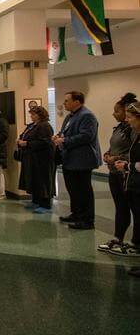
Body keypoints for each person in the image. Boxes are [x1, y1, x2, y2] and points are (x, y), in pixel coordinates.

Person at [53, 91, 102, 230]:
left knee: (83, 190)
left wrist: (64, 140)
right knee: (73, 189)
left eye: (67, 100)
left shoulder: (87, 116)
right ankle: (76, 214)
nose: (64, 103)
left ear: (77, 102)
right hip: (69, 159)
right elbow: (65, 132)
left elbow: (86, 136)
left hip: (82, 160)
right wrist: (57, 137)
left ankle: (87, 220)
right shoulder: (70, 116)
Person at [99, 93, 136, 254]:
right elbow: (115, 146)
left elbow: (134, 153)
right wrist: (108, 155)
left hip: (127, 174)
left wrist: (118, 158)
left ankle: (135, 244)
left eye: (117, 111)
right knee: (120, 207)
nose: (114, 114)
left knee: (133, 209)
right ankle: (118, 238)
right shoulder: (120, 127)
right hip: (115, 172)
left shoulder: (134, 131)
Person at [113, 101, 140, 274]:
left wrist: (128, 167)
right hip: (135, 183)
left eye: (130, 117)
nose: (128, 121)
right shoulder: (137, 135)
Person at [17, 106, 56, 213]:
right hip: (31, 157)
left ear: (40, 115)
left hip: (42, 159)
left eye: (34, 114)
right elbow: (24, 135)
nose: (31, 116)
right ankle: (35, 200)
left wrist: (27, 143)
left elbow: (45, 142)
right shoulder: (32, 126)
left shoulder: (44, 126)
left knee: (42, 181)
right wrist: (20, 140)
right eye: (31, 114)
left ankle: (45, 204)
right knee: (34, 180)